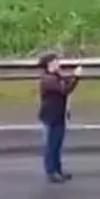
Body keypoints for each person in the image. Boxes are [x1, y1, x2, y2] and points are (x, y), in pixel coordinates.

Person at [37, 53, 81, 184]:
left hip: (58, 114)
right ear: (49, 64)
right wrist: (76, 77)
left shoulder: (56, 76)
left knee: (57, 144)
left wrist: (73, 77)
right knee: (52, 145)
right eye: (55, 61)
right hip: (51, 116)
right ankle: (51, 172)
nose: (58, 63)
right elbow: (65, 90)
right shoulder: (47, 79)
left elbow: (66, 87)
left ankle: (58, 170)